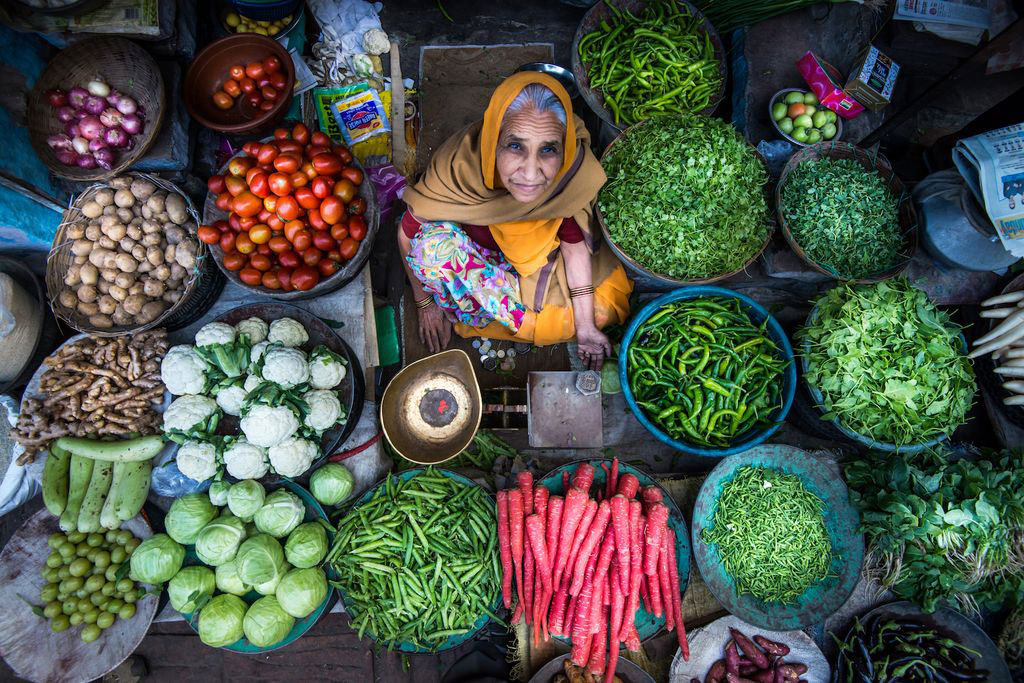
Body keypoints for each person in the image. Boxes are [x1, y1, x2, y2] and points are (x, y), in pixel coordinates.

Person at [398, 72, 632, 369]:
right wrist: (425, 304)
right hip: (471, 253)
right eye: (515, 146)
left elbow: (573, 246)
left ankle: (503, 311)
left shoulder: (568, 174)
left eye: (548, 149)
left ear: (564, 146)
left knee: (595, 315)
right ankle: (484, 310)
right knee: (428, 251)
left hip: (535, 261)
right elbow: (406, 234)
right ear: (493, 141)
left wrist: (586, 328)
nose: (532, 174)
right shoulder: (457, 169)